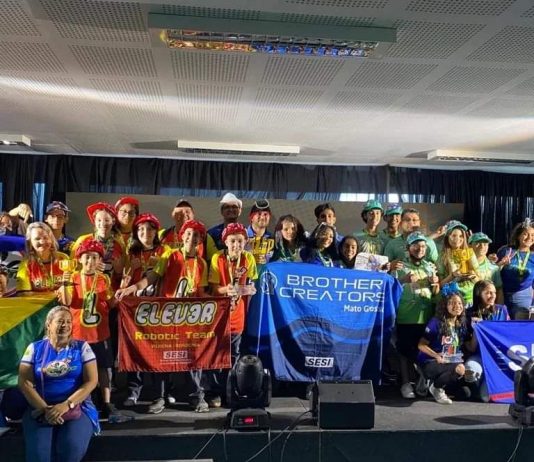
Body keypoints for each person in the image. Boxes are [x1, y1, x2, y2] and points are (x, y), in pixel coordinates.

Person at [18, 305, 99, 462]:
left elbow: (92, 381)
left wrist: (66, 405)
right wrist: (46, 409)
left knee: (71, 450)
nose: (65, 325)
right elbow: (24, 382)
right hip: (41, 408)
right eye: (60, 321)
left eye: (68, 322)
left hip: (76, 407)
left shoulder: (82, 348)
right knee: (39, 456)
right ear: (49, 324)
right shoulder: (34, 348)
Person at [57, 239, 121, 421]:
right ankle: (82, 401)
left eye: (94, 257)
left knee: (104, 368)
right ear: (79, 259)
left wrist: (120, 291)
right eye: (86, 257)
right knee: (78, 369)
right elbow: (67, 302)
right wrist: (65, 283)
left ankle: (107, 402)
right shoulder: (73, 277)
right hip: (78, 334)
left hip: (100, 333)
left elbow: (111, 303)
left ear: (100, 260)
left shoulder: (103, 278)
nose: (90, 261)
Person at [208, 222, 257, 407]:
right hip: (219, 315)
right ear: (225, 242)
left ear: (245, 242)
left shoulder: (248, 258)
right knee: (216, 353)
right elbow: (214, 288)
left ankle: (230, 390)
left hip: (237, 315)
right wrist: (226, 289)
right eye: (233, 241)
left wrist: (250, 289)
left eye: (240, 241)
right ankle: (214, 392)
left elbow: (251, 283)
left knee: (234, 354)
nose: (236, 245)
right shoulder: (217, 258)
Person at [393, 232, 440, 399]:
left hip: (426, 316)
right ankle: (406, 383)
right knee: (404, 352)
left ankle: (423, 380)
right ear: (408, 247)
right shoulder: (399, 266)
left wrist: (435, 284)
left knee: (425, 351)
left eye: (423, 246)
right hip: (406, 316)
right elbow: (391, 288)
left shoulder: (430, 266)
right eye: (416, 246)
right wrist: (403, 280)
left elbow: (435, 294)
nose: (420, 249)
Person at [417, 284, 473, 404]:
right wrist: (436, 356)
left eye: (459, 303)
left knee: (465, 393)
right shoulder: (436, 322)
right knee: (459, 369)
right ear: (445, 305)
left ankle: (433, 383)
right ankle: (436, 388)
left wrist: (478, 330)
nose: (457, 306)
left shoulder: (462, 323)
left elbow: (469, 346)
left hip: (451, 361)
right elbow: (421, 345)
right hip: (431, 362)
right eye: (452, 303)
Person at [464, 280, 510, 402]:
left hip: (497, 358)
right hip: (478, 356)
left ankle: (484, 386)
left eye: (494, 292)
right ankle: (475, 386)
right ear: (479, 294)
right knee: (470, 368)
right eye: (488, 293)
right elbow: (470, 348)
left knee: (486, 397)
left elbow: (508, 336)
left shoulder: (502, 310)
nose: (492, 296)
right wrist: (476, 330)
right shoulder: (468, 314)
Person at [71, 202, 125, 290]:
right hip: (85, 289)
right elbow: (72, 268)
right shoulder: (83, 240)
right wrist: (88, 268)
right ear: (94, 222)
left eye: (107, 220)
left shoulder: (119, 245)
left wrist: (119, 272)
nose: (103, 223)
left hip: (111, 291)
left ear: (113, 221)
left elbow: (124, 275)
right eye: (99, 220)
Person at [13, 222, 69, 295]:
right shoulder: (26, 264)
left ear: (51, 239)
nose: (42, 242)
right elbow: (23, 293)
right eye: (37, 239)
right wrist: (52, 295)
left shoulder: (63, 258)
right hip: (39, 302)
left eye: (45, 237)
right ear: (30, 242)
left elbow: (73, 285)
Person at [496, 220, 534, 320]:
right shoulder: (506, 251)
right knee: (502, 323)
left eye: (532, 235)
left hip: (523, 298)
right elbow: (493, 272)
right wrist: (501, 264)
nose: (529, 237)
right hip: (502, 295)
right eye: (525, 234)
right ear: (518, 236)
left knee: (519, 326)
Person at [437, 220, 479, 305]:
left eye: (461, 236)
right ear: (447, 237)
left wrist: (472, 276)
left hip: (470, 299)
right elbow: (440, 285)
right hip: (451, 300)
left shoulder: (470, 253)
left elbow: (479, 281)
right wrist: (452, 276)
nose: (457, 239)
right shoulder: (442, 257)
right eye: (454, 235)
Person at [468, 232, 504, 304]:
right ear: (469, 245)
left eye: (485, 244)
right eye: (478, 243)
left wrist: (499, 308)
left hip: (485, 306)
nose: (482, 247)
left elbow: (499, 290)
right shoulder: (462, 265)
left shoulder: (494, 268)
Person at [206, 193, 243, 260]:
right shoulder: (211, 234)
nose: (231, 209)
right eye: (227, 207)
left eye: (234, 207)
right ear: (222, 211)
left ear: (240, 211)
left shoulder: (245, 233)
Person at [246, 200, 275, 267]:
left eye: (265, 214)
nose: (262, 217)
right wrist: (250, 259)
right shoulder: (242, 236)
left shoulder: (273, 239)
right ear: (251, 217)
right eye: (259, 214)